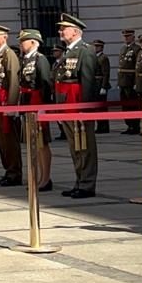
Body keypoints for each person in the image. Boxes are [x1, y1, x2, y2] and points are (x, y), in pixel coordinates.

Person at [56, 14, 98, 198]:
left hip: (78, 104)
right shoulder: (68, 51)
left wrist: (85, 108)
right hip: (67, 103)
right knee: (75, 146)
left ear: (74, 31)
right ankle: (79, 180)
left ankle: (87, 184)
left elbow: (88, 81)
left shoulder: (85, 50)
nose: (60, 31)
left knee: (85, 146)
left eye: (63, 28)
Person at [0, 24, 21, 187]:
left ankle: (14, 172)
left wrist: (12, 106)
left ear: (5, 37)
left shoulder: (9, 55)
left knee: (9, 140)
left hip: (5, 102)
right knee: (1, 139)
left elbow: (13, 82)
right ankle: (8, 170)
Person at [18, 29, 54, 191]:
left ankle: (46, 178)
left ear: (33, 42)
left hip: (37, 103)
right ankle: (39, 177)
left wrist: (44, 108)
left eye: (23, 41)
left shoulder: (41, 60)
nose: (21, 44)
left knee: (42, 143)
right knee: (34, 144)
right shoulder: (25, 60)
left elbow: (46, 83)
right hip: (27, 104)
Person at [117, 29, 140, 135]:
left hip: (131, 80)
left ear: (133, 37)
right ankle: (129, 125)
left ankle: (135, 125)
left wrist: (136, 82)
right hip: (123, 81)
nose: (126, 38)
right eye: (125, 36)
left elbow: (137, 67)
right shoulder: (123, 49)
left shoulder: (136, 49)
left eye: (128, 36)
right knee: (125, 105)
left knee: (133, 104)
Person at [92, 39, 111, 134]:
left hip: (100, 84)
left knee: (102, 107)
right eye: (95, 46)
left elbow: (106, 73)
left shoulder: (103, 58)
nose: (95, 48)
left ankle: (104, 126)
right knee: (97, 107)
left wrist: (104, 86)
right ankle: (99, 125)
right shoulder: (94, 57)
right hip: (95, 84)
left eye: (97, 46)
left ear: (101, 47)